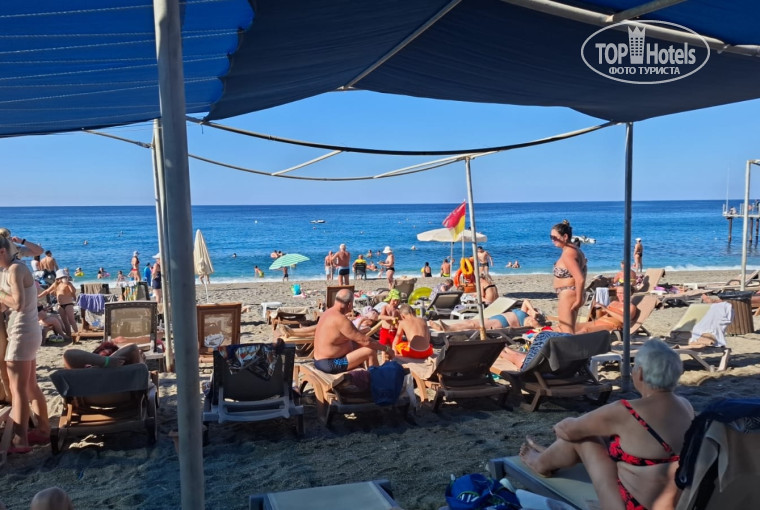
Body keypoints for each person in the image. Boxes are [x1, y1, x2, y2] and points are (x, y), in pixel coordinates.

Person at [518, 339, 693, 510]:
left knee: (582, 438)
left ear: (639, 373)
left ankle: (540, 463)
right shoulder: (686, 407)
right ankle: (549, 456)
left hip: (631, 505)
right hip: (672, 500)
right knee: (599, 434)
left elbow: (568, 431)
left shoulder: (626, 411)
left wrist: (560, 427)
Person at [0, 235, 50, 453]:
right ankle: (44, 430)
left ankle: (20, 440)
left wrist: (0, 294)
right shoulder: (10, 269)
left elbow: (18, 303)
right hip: (27, 331)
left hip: (21, 332)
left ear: (2, 251)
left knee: (18, 389)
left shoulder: (15, 269)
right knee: (30, 386)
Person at [313, 288, 391, 373]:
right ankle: (376, 379)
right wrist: (387, 349)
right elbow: (366, 341)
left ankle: (366, 375)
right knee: (370, 351)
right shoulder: (341, 319)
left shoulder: (327, 313)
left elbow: (350, 336)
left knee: (361, 345)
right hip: (332, 363)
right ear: (350, 304)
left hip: (319, 361)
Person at [551, 220, 587, 333]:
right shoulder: (575, 250)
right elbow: (584, 271)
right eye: (551, 237)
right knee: (567, 329)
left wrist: (579, 300)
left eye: (554, 237)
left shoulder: (568, 254)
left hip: (569, 293)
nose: (552, 240)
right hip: (571, 293)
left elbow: (580, 278)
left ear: (565, 237)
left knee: (566, 330)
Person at [430, 299, 547, 331]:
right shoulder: (525, 312)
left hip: (501, 323)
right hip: (496, 318)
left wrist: (535, 316)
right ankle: (447, 327)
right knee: (471, 322)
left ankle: (447, 328)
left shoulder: (531, 320)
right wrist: (532, 310)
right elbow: (526, 301)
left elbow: (538, 328)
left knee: (472, 325)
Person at [38, 269, 78, 339]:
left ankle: (77, 334)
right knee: (65, 321)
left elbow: (73, 292)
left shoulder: (68, 284)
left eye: (63, 277)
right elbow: (47, 291)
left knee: (71, 320)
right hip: (60, 305)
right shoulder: (56, 284)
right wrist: (38, 296)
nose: (62, 279)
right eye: (61, 277)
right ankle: (69, 335)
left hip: (68, 304)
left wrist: (67, 284)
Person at [63, 341, 143, 369]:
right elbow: (132, 348)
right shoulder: (127, 373)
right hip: (122, 397)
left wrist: (105, 361)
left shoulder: (84, 371)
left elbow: (68, 354)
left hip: (91, 398)